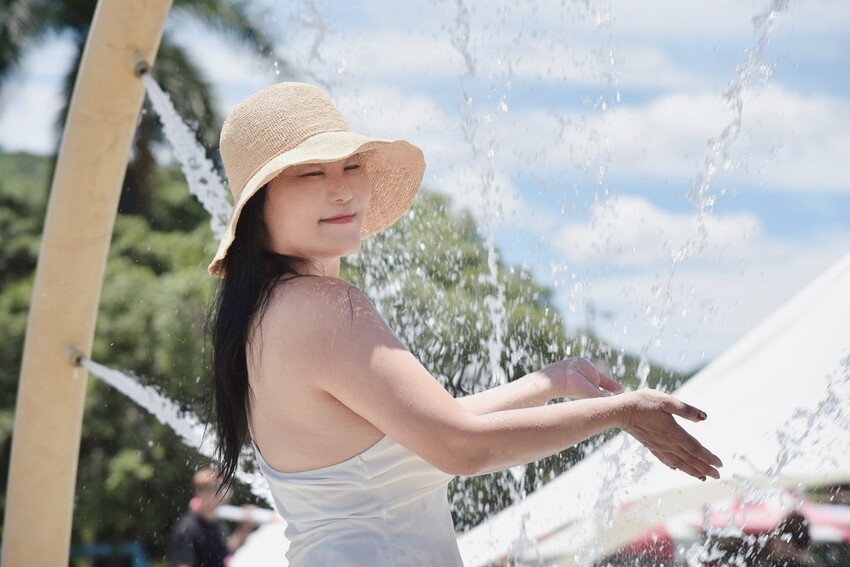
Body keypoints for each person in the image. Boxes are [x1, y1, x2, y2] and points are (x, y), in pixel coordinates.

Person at [207, 82, 723, 565]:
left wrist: (552, 382)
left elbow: (420, 433)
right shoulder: (326, 307)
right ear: (258, 205)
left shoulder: (265, 316)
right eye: (312, 173)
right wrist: (623, 412)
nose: (343, 191)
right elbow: (460, 446)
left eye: (352, 166)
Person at [169, 467, 255, 567]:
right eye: (217, 489)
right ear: (201, 492)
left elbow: (227, 548)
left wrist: (245, 527)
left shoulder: (217, 522)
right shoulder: (188, 528)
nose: (223, 494)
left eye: (224, 489)